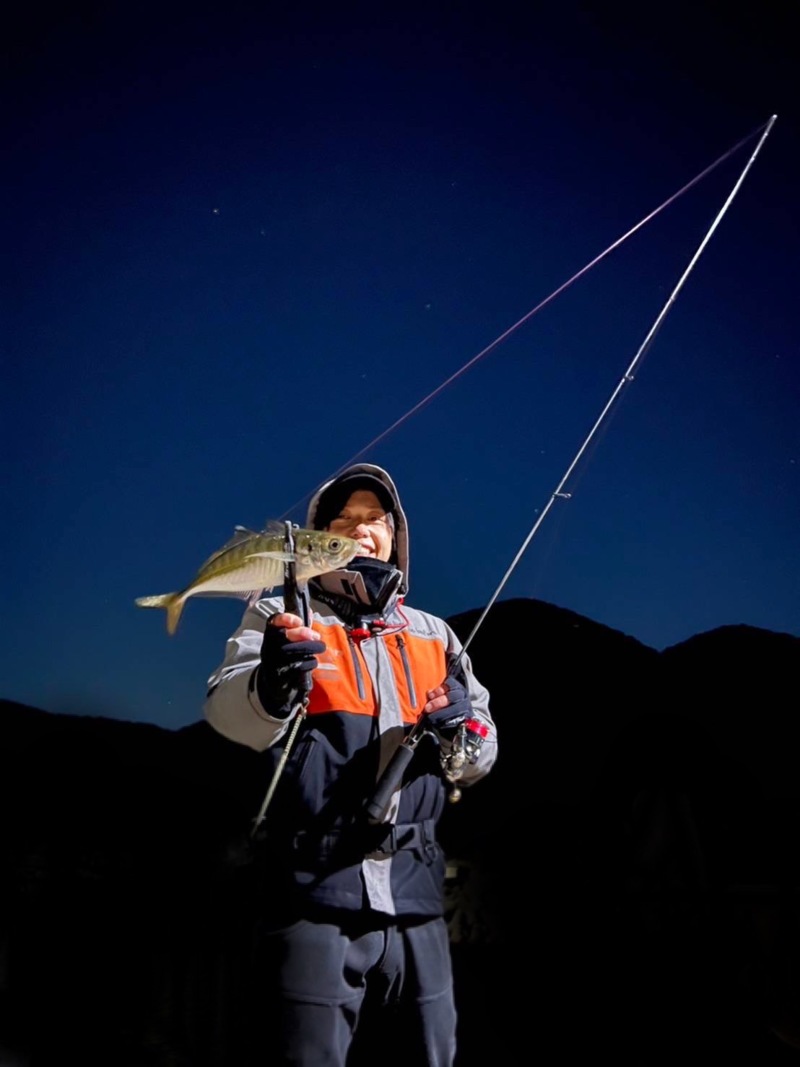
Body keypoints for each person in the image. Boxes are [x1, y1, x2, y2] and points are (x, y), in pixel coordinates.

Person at [204, 462, 497, 1066]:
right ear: (316, 538)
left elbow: (479, 753)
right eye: (344, 521)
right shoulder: (282, 618)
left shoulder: (434, 634)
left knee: (431, 1055)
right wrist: (271, 686)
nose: (362, 530)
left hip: (419, 898)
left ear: (395, 536)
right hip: (315, 889)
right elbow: (228, 713)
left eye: (375, 520)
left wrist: (461, 730)